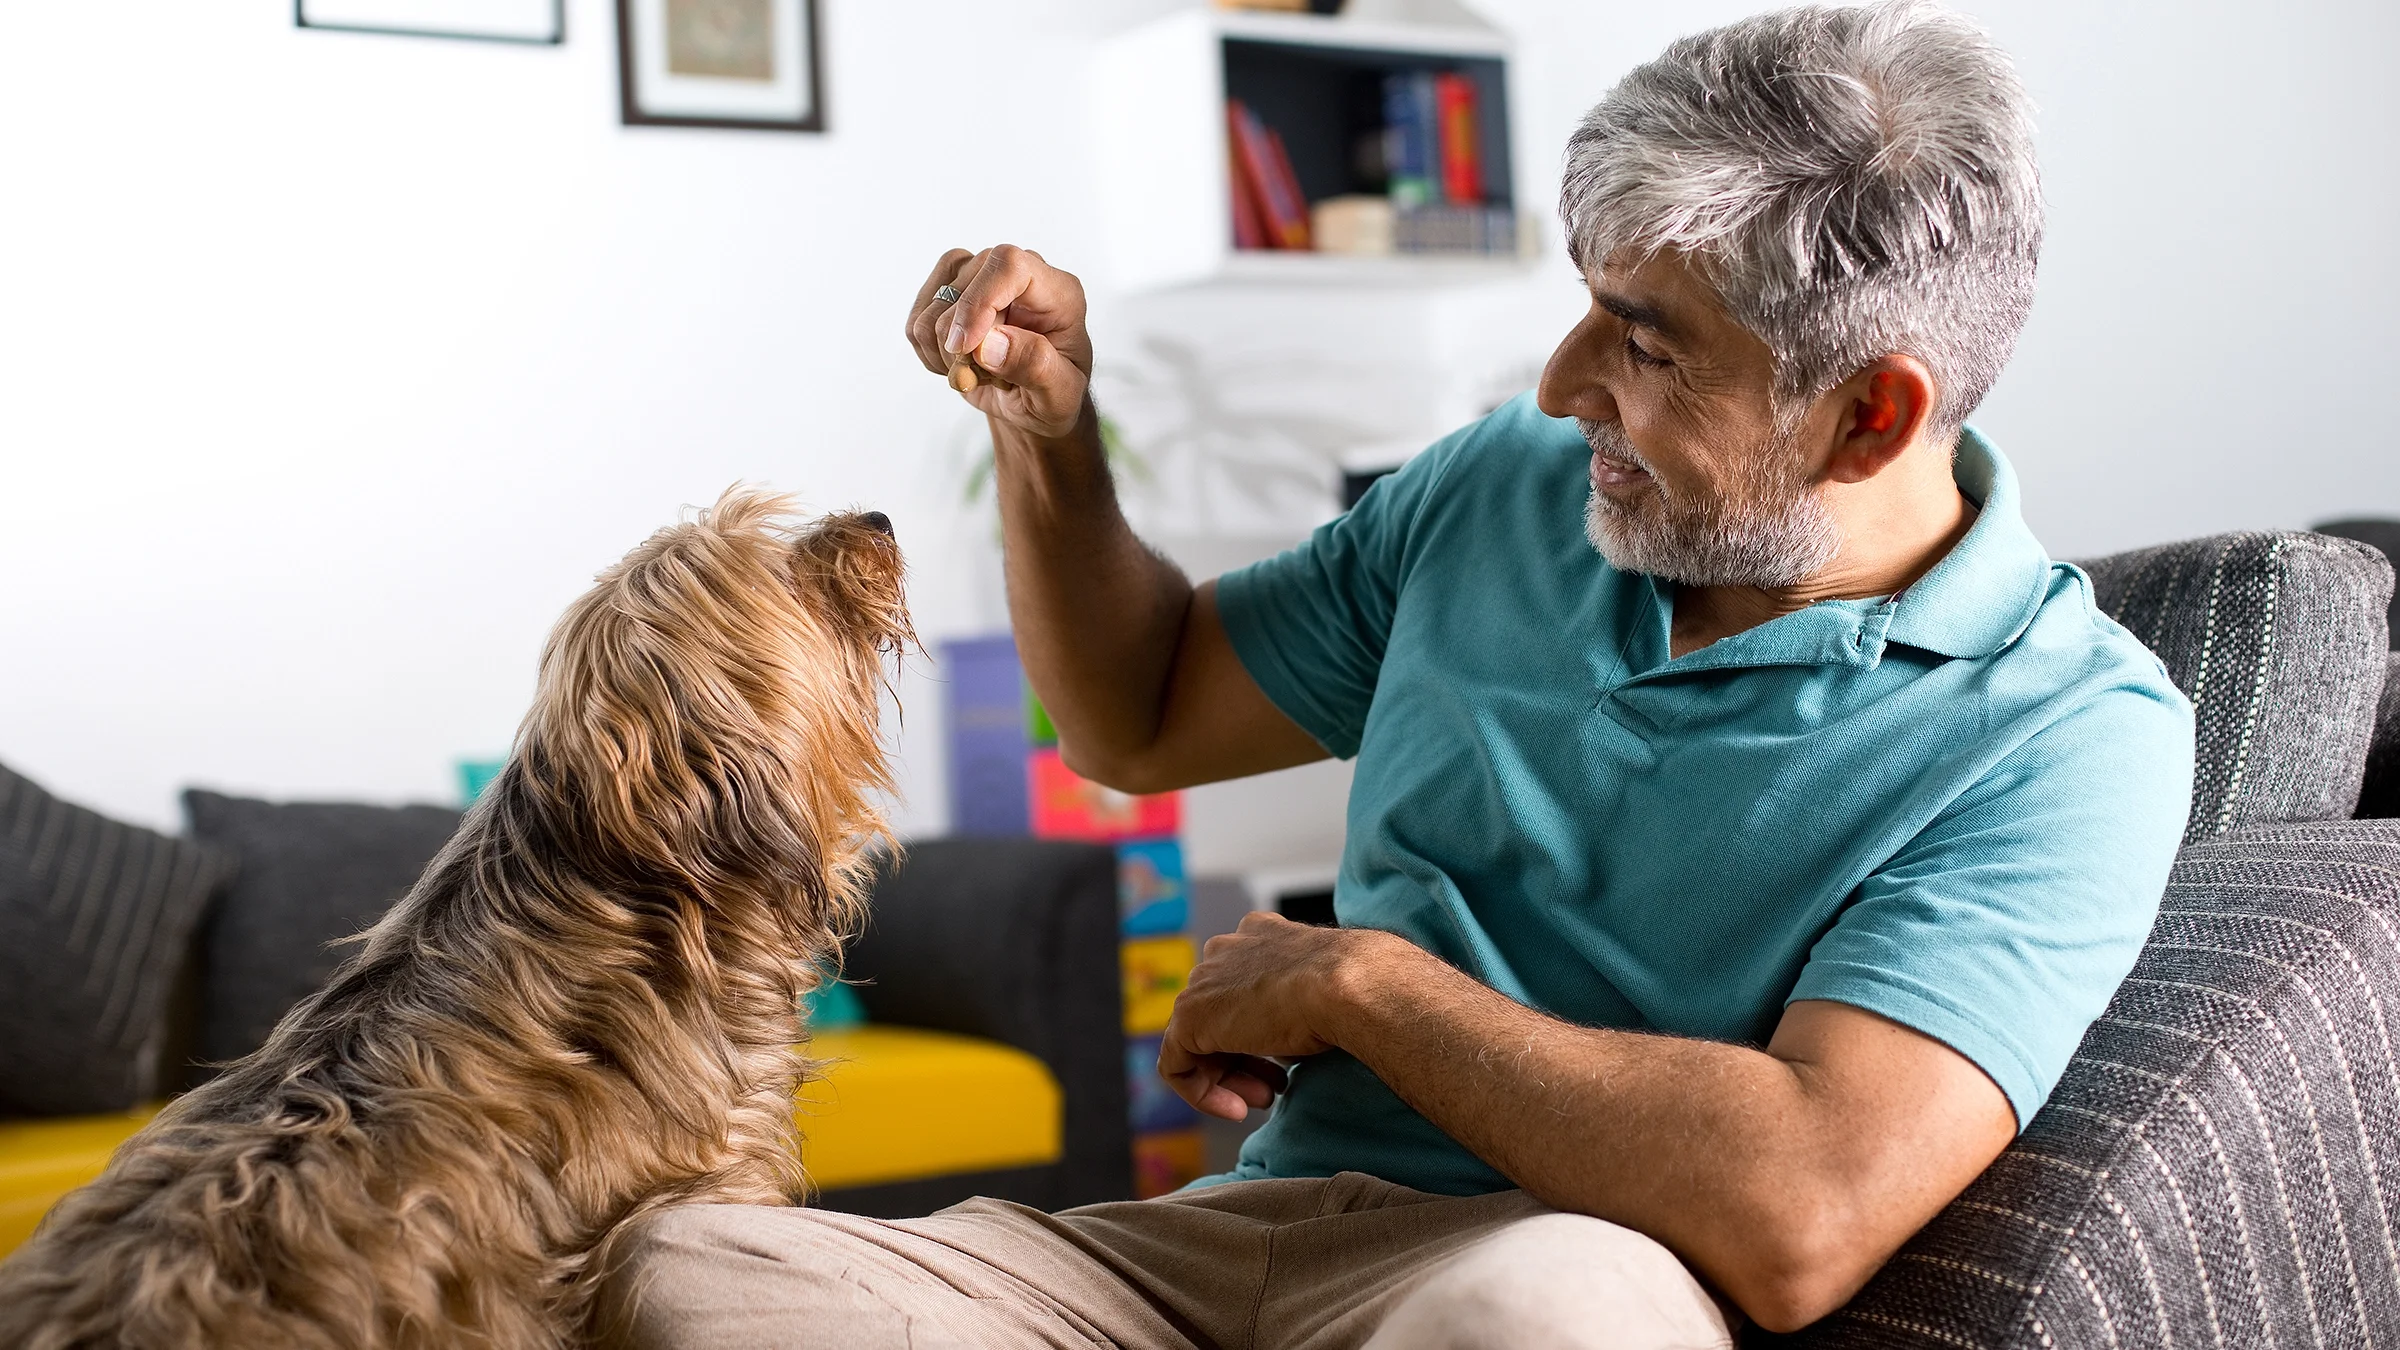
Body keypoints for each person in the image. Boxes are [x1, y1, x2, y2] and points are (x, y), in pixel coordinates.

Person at [598, 2, 2194, 1344]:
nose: (1561, 382)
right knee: (680, 1271)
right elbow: (1137, 712)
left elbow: (1799, 1211)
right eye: (1584, 304)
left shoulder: (2066, 730)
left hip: (1542, 1260)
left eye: (1643, 344)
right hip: (1227, 1242)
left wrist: (1352, 983)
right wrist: (1050, 439)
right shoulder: (1516, 480)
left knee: (1550, 1329)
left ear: (1871, 416)